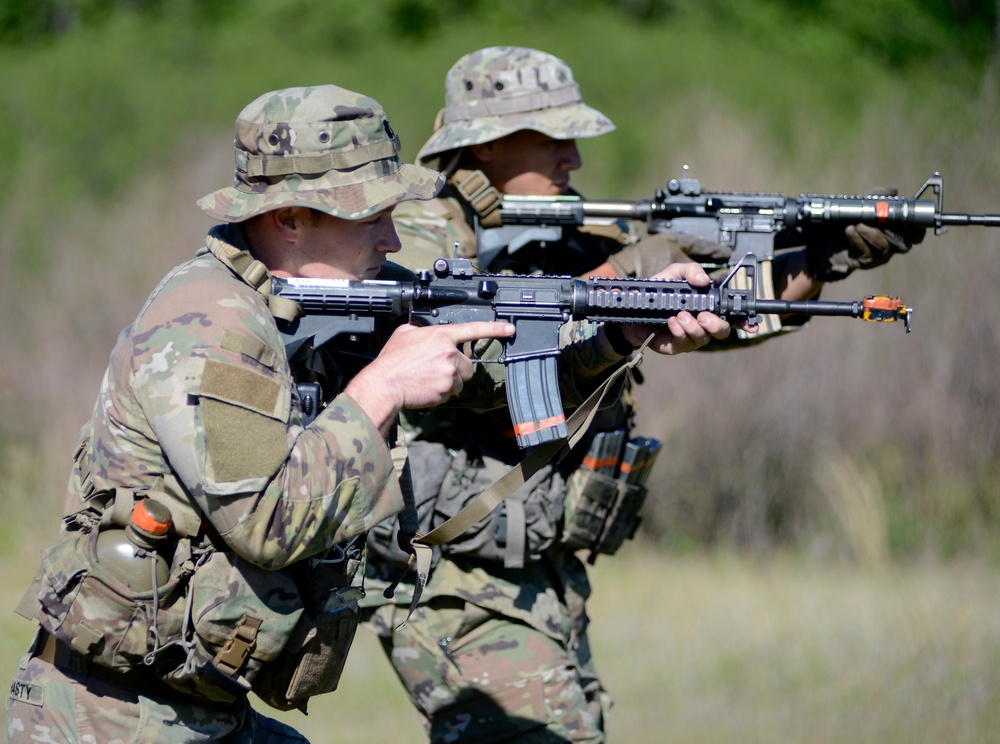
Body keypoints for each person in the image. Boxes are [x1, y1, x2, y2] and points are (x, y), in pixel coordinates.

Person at [5, 83, 728, 744]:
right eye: (372, 218)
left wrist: (621, 327)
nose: (392, 239)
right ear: (288, 217)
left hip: (206, 709)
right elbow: (266, 520)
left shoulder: (348, 295)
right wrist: (381, 387)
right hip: (107, 717)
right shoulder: (207, 322)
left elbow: (494, 375)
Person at [360, 47, 921, 743]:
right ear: (491, 143)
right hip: (452, 575)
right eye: (556, 139)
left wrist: (824, 257)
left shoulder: (575, 234)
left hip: (545, 567)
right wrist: (625, 274)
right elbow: (464, 365)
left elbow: (730, 316)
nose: (575, 160)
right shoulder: (413, 236)